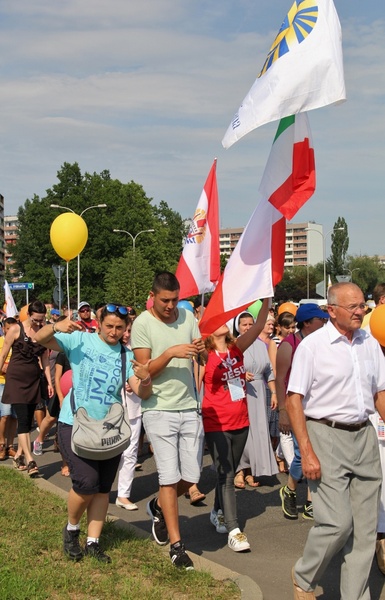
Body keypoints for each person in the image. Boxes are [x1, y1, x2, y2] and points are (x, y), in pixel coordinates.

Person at [286, 283, 385, 600]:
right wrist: (307, 452)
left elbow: (380, 393)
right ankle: (304, 576)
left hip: (364, 435)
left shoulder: (369, 342)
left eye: (362, 306)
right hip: (325, 435)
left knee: (365, 533)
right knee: (337, 523)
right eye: (353, 306)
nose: (361, 311)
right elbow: (293, 400)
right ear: (331, 310)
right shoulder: (312, 346)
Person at [35, 303, 152, 563]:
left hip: (109, 430)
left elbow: (142, 392)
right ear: (99, 323)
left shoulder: (125, 354)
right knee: (86, 484)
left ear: (125, 329)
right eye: (109, 326)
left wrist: (145, 378)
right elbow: (38, 337)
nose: (113, 331)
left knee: (101, 489)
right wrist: (56, 326)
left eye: (119, 328)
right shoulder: (79, 340)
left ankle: (93, 542)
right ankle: (72, 529)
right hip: (75, 424)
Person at [131, 271, 205, 570]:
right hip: (158, 408)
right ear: (154, 296)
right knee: (169, 477)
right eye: (165, 300)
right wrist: (172, 353)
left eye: (175, 300)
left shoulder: (188, 318)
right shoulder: (142, 324)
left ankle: (159, 505)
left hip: (189, 406)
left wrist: (202, 350)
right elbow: (144, 371)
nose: (171, 306)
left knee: (191, 476)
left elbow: (202, 356)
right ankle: (177, 546)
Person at [201, 299, 270, 552]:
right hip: (216, 422)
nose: (222, 324)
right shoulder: (204, 354)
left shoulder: (236, 348)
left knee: (226, 473)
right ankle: (234, 530)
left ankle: (217, 510)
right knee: (227, 475)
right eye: (215, 322)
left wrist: (267, 300)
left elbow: (259, 324)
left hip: (241, 420)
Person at [277, 303, 328, 520]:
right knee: (300, 454)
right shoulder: (289, 344)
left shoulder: (322, 343)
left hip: (317, 405)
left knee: (317, 453)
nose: (324, 322)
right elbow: (280, 379)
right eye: (320, 319)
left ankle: (310, 501)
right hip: (295, 405)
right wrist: (283, 410)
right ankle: (289, 488)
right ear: (307, 323)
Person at [0, 300, 53, 476]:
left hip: (33, 381)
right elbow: (4, 352)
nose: (39, 323)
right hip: (16, 380)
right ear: (29, 315)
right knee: (23, 420)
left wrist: (50, 382)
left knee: (28, 420)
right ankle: (31, 461)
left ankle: (19, 457)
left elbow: (45, 359)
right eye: (36, 319)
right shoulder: (16, 329)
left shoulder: (43, 332)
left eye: (41, 320)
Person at [233, 311, 278, 489]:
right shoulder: (234, 345)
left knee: (258, 431)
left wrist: (273, 392)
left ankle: (251, 469)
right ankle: (239, 470)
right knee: (242, 431)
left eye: (251, 324)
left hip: (259, 392)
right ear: (238, 327)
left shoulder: (260, 345)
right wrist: (241, 374)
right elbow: (226, 370)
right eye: (244, 324)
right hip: (240, 391)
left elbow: (269, 371)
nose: (248, 328)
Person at [115, 320, 142, 511]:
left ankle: (123, 494)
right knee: (109, 451)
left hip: (133, 408)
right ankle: (98, 490)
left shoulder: (138, 352)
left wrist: (136, 383)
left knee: (130, 451)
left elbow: (148, 375)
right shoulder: (109, 350)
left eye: (129, 330)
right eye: (123, 330)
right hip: (110, 411)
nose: (126, 334)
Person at [0, 317, 18, 460]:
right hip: (2, 383)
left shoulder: (18, 344)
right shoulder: (1, 342)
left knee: (14, 416)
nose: (10, 331)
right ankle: (1, 444)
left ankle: (10, 446)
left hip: (16, 383)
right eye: (8, 329)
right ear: (4, 329)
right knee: (4, 415)